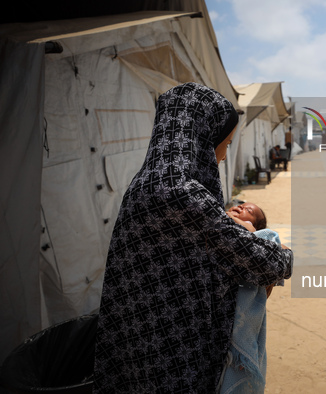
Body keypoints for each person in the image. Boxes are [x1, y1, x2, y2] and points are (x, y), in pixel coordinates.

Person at [93, 83, 293, 393]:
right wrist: (285, 254)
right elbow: (257, 259)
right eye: (224, 144)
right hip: (167, 358)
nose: (223, 156)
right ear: (201, 140)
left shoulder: (145, 184)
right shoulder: (180, 194)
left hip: (137, 345)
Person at [219, 202, 284, 393]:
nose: (241, 208)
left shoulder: (257, 241)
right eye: (241, 205)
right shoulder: (214, 221)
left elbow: (276, 261)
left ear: (256, 227)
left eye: (249, 211)